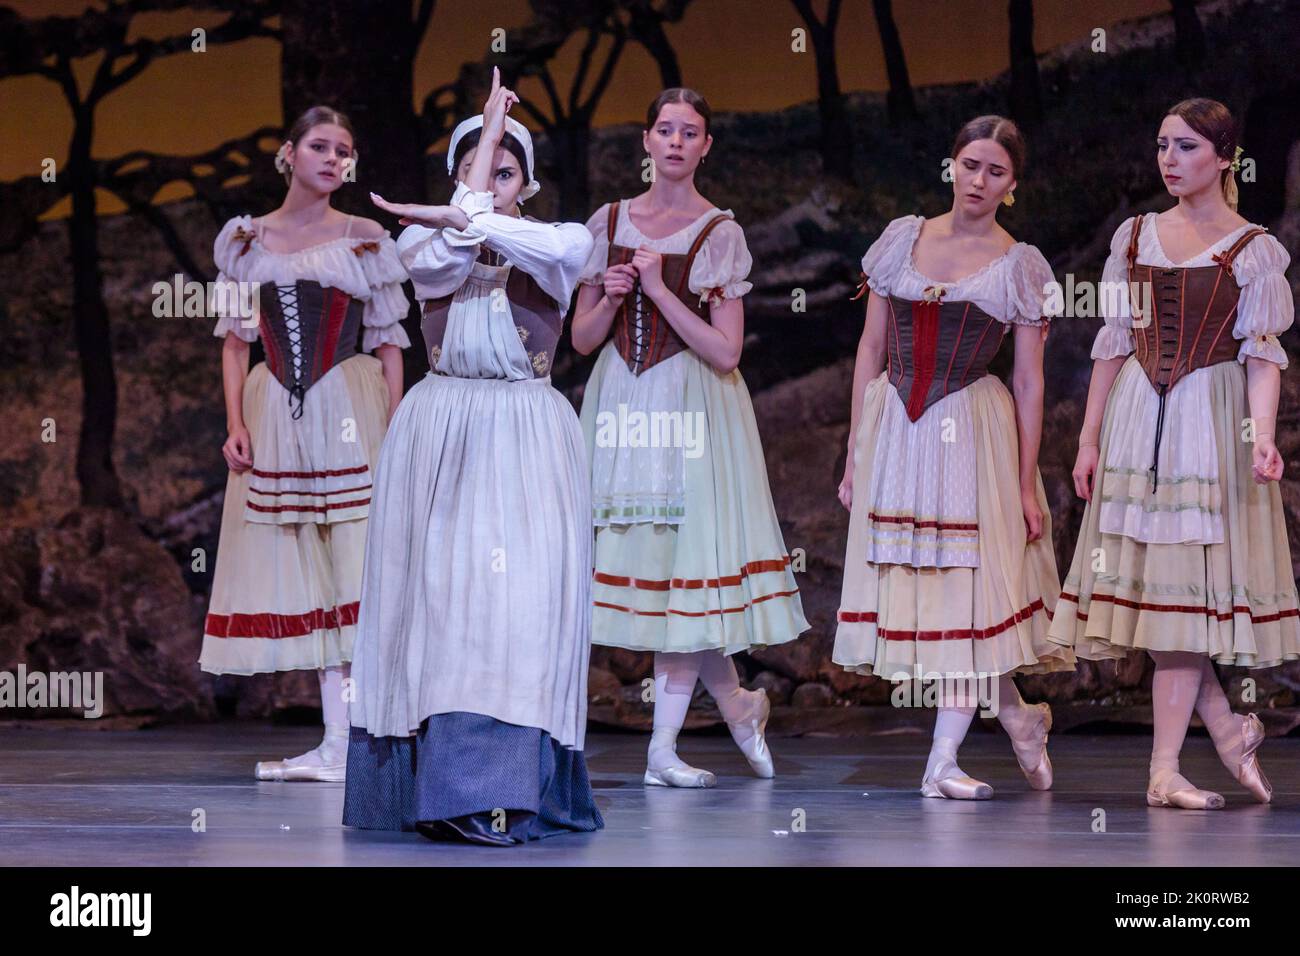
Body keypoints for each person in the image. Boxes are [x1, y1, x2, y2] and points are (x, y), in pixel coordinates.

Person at [344, 69, 603, 845]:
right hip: (443, 430)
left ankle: (508, 789)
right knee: (442, 610)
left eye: (504, 169)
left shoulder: (564, 241)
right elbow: (440, 260)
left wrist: (467, 204)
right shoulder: (420, 239)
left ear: (528, 180)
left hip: (526, 433)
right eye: (470, 168)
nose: (487, 181)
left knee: (520, 611)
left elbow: (532, 246)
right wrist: (478, 158)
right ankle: (444, 792)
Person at [1049, 98, 1298, 809]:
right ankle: (1218, 732)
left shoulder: (1253, 249)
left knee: (1181, 596)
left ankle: (1171, 765)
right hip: (1138, 418)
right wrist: (1090, 436)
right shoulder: (1134, 238)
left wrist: (1261, 438)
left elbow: (1261, 355)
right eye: (1162, 145)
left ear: (1224, 157)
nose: (1168, 159)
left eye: (1186, 147)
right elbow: (1113, 345)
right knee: (1162, 596)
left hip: (1207, 422)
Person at [571, 88, 809, 788]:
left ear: (706, 146)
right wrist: (613, 294)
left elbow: (728, 351)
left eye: (691, 132)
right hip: (623, 407)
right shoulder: (607, 222)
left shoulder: (719, 233)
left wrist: (662, 290)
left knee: (687, 570)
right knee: (662, 576)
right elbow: (582, 341)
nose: (676, 142)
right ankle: (738, 706)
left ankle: (661, 751)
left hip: (695, 412)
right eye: (665, 129)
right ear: (645, 140)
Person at [834, 115, 1075, 800]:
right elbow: (870, 350)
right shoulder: (901, 240)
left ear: (1013, 184)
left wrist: (1028, 482)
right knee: (934, 588)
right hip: (897, 427)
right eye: (970, 165)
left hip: (971, 427)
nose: (978, 180)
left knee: (965, 588)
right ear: (952, 166)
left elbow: (1030, 381)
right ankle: (1019, 717)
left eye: (995, 171)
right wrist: (856, 452)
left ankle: (942, 760)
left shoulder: (1019, 265)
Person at [200, 105, 408, 782]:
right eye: (320, 146)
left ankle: (378, 736)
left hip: (349, 404)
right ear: (288, 153)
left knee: (356, 564)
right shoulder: (246, 240)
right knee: (312, 570)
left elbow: (388, 340)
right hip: (277, 416)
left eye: (344, 151)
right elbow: (235, 344)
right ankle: (337, 740)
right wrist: (234, 422)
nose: (332, 159)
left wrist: (398, 420)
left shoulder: (365, 237)